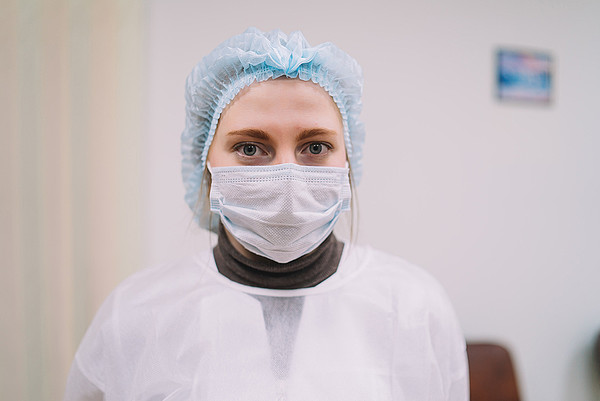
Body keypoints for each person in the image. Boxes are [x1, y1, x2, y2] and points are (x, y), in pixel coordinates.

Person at [64, 28, 468, 400]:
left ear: (347, 160)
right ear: (206, 163)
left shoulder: (414, 308)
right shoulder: (137, 314)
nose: (287, 177)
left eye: (315, 147)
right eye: (250, 148)